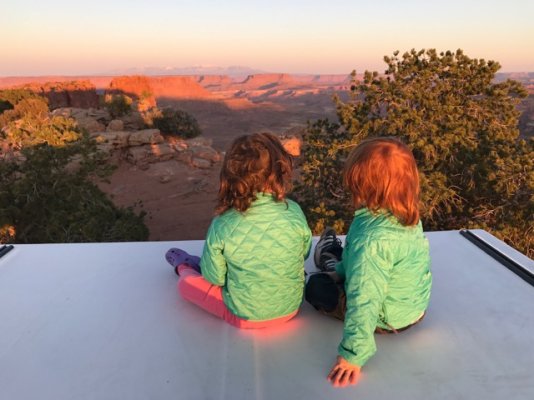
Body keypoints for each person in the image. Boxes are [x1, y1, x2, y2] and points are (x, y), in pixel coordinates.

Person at [306, 137, 432, 387]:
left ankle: (330, 261)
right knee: (358, 263)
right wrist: (343, 271)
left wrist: (353, 355)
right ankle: (336, 263)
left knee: (315, 286)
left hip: (386, 319)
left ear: (365, 187)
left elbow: (365, 300)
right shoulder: (407, 217)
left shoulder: (371, 240)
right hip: (413, 308)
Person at [166, 132, 312, 329]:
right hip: (291, 308)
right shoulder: (293, 210)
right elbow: (303, 253)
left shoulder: (223, 223)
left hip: (243, 315)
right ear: (279, 171)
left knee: (187, 284)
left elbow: (215, 278)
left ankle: (184, 266)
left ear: (230, 177)